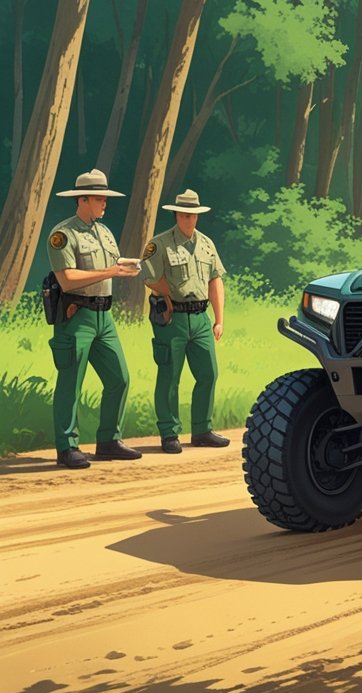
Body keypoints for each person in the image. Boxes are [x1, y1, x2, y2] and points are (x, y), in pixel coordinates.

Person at [46, 169, 143, 469]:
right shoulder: (63, 235)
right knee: (71, 381)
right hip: (77, 316)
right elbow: (68, 279)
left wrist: (127, 264)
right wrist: (112, 272)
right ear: (83, 199)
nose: (105, 204)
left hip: (104, 317)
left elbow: (111, 263)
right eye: (100, 199)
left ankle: (108, 440)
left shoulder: (104, 232)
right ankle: (67, 446)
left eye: (105, 198)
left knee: (119, 378)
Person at [141, 190, 229, 452]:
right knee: (169, 376)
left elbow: (215, 280)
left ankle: (202, 429)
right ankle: (169, 433)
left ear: (197, 216)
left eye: (192, 215)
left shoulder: (206, 244)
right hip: (173, 317)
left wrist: (219, 319)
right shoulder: (160, 244)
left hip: (200, 317)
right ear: (176, 214)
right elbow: (148, 276)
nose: (188, 219)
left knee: (208, 373)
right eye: (183, 214)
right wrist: (167, 294)